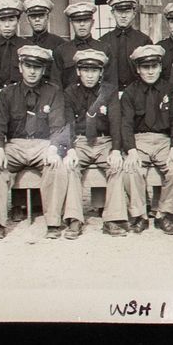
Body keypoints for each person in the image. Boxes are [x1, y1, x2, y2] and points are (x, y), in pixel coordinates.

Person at [0, 45, 71, 239]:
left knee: (56, 165)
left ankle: (53, 223)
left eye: (37, 67)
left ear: (43, 69)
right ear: (20, 67)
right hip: (15, 145)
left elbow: (58, 126)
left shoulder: (53, 92)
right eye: (28, 66)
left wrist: (53, 149)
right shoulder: (8, 93)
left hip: (43, 144)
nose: (32, 71)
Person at [116, 43, 173, 237]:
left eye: (154, 66)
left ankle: (164, 214)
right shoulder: (130, 92)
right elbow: (125, 124)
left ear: (160, 67)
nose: (150, 71)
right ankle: (139, 215)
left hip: (163, 141)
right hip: (139, 140)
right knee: (130, 169)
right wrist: (131, 150)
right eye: (145, 67)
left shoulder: (170, 89)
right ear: (138, 69)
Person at [59, 48, 127, 239]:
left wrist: (116, 150)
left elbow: (116, 122)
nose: (90, 75)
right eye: (85, 70)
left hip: (104, 141)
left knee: (116, 167)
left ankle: (112, 219)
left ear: (101, 72)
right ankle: (74, 219)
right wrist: (70, 149)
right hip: (80, 142)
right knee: (70, 167)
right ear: (78, 71)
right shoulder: (70, 92)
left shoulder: (109, 91)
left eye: (94, 70)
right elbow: (67, 123)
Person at [98, 0, 151, 87]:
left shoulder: (144, 40)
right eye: (119, 12)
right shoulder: (103, 41)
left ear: (134, 13)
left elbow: (149, 69)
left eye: (127, 12)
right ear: (113, 13)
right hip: (111, 91)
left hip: (137, 91)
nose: (123, 16)